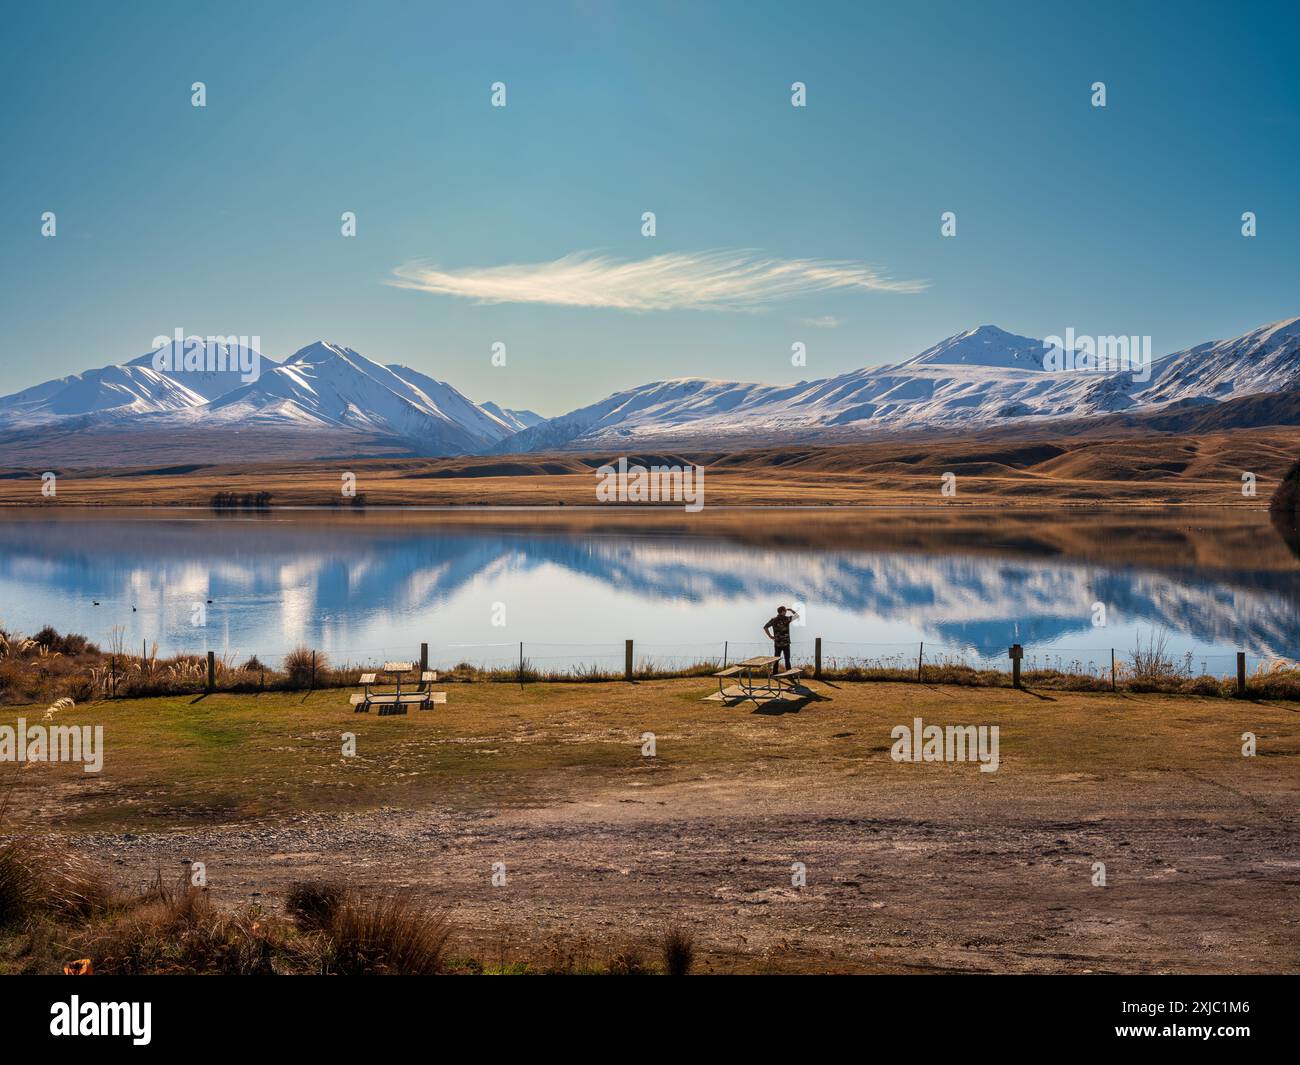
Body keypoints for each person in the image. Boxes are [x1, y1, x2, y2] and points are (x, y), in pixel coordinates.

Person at [763, 605, 798, 670]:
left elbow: (765, 627)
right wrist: (791, 610)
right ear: (782, 611)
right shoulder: (787, 619)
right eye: (785, 610)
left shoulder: (773, 620)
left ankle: (774, 674)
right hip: (786, 643)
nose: (786, 612)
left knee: (776, 660)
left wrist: (770, 636)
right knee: (787, 660)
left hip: (777, 643)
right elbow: (797, 616)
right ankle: (789, 675)